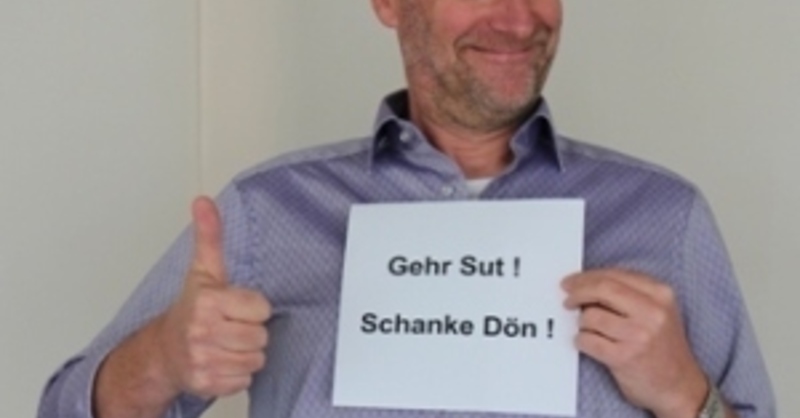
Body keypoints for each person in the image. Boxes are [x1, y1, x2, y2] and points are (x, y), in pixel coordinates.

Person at [39, 1, 775, 417]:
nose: (519, 18)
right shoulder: (268, 213)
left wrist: (685, 394)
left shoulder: (666, 218)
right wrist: (160, 361)